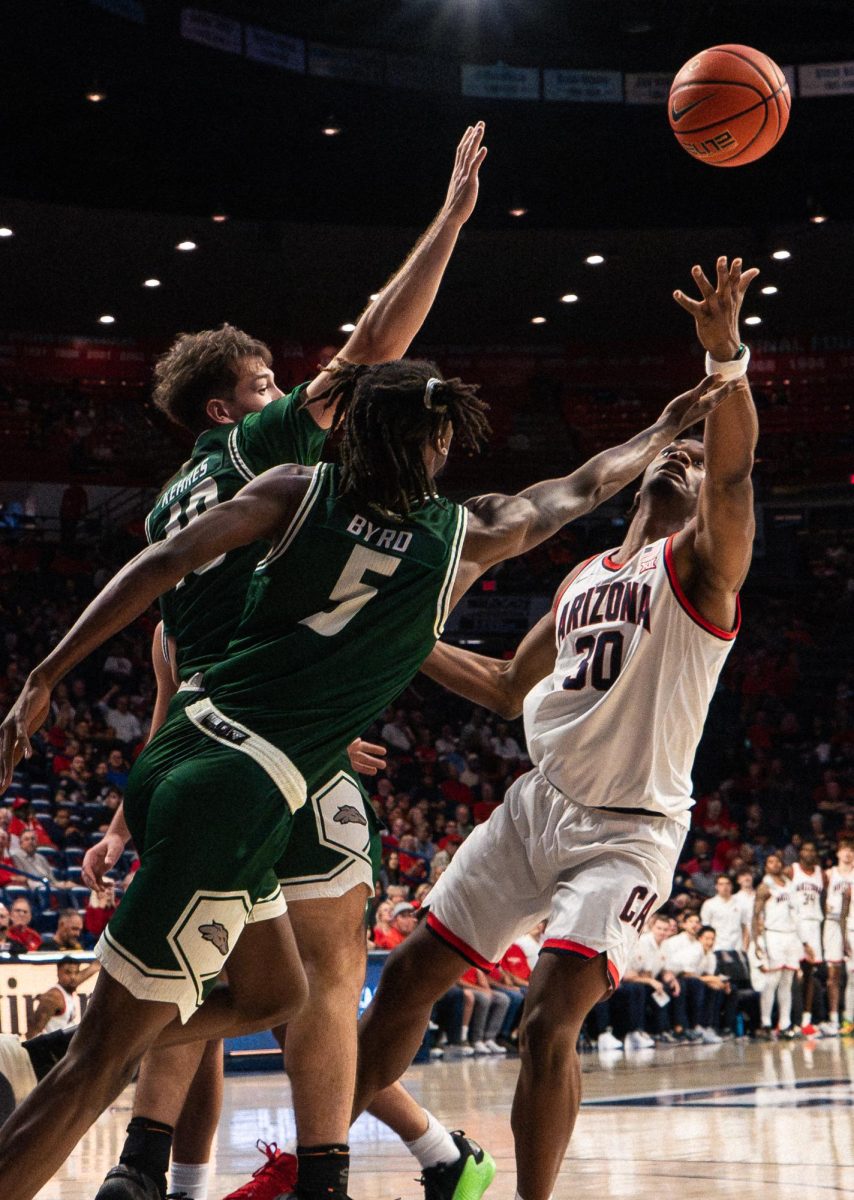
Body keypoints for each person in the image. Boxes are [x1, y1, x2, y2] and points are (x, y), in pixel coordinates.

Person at [0, 358, 726, 1196]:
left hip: (188, 743)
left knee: (278, 992)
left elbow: (162, 562)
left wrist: (46, 675)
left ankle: (106, 1045)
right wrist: (665, 424)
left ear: (351, 430)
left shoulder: (291, 486)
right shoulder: (464, 535)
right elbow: (583, 484)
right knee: (94, 1072)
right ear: (444, 438)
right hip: (242, 784)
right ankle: (92, 1058)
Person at [75, 123, 493, 1200]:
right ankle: (335, 1178)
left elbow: (169, 639)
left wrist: (161, 764)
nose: (292, 388)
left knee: (207, 972)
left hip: (207, 731)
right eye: (267, 379)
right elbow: (374, 347)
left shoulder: (178, 496)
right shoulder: (259, 452)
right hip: (269, 744)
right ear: (226, 407)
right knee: (323, 974)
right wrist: (447, 221)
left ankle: (144, 1175)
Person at [350, 256, 758, 1200]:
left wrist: (727, 361)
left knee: (545, 1019)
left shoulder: (701, 571)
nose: (681, 458)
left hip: (626, 831)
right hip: (535, 810)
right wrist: (405, 635)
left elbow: (734, 472)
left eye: (693, 462)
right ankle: (319, 1156)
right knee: (407, 978)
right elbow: (501, 686)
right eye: (676, 450)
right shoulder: (583, 580)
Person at [753, 852, 801, 1039]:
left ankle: (785, 1023)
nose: (775, 864)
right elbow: (755, 915)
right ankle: (765, 1022)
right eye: (770, 861)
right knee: (771, 981)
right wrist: (757, 942)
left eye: (777, 861)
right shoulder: (765, 886)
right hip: (772, 935)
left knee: (787, 982)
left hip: (791, 936)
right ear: (766, 866)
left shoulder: (790, 885)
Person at [786, 840, 825, 1036]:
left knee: (810, 974)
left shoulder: (820, 873)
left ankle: (806, 1020)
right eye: (806, 848)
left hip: (814, 923)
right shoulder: (791, 871)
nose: (809, 852)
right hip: (796, 924)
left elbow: (825, 900)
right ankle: (792, 1020)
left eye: (812, 849)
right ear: (800, 852)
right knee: (794, 973)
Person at [821, 840, 853, 1035]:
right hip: (832, 924)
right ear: (838, 853)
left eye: (851, 851)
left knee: (852, 974)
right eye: (845, 851)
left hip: (851, 924)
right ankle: (834, 1018)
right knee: (833, 973)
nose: (848, 854)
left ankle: (849, 1017)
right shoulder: (829, 874)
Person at [26, 958, 100, 1039]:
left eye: (76, 973)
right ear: (58, 973)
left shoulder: (69, 987)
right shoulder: (53, 997)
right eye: (68, 973)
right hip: (54, 1048)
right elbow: (34, 1029)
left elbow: (94, 967)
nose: (73, 977)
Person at [700, 874, 748, 952]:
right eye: (721, 884)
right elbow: (705, 929)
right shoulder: (709, 904)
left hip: (737, 948)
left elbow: (745, 927)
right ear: (716, 886)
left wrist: (744, 948)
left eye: (727, 884)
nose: (725, 887)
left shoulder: (740, 903)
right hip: (717, 948)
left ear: (731, 886)